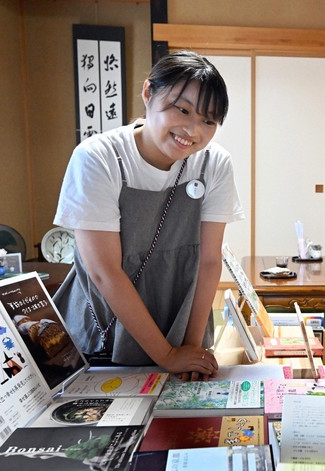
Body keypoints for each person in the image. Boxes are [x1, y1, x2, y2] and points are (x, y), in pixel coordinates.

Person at [53, 51, 244, 380]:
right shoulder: (98, 158)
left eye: (208, 121)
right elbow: (104, 272)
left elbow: (210, 261)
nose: (192, 130)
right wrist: (168, 355)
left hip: (179, 325)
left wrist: (190, 347)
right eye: (182, 110)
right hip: (104, 332)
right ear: (148, 93)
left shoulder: (214, 163)